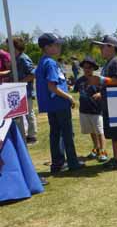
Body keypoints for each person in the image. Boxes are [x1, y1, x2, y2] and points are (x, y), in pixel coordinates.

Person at [35, 33, 84, 173]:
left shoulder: (43, 61)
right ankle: (72, 163)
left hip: (52, 105)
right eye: (56, 45)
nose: (59, 47)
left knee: (55, 133)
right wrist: (69, 97)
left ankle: (57, 163)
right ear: (47, 47)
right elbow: (52, 86)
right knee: (67, 134)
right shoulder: (50, 62)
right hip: (59, 103)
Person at [91, 35, 117, 170]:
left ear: (111, 47)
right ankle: (116, 158)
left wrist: (101, 81)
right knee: (115, 133)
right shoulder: (109, 62)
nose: (100, 49)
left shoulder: (116, 61)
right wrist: (101, 92)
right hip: (112, 103)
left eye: (102, 46)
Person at [73, 56, 108, 162]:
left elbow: (106, 91)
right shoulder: (80, 80)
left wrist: (100, 93)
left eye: (89, 67)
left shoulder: (98, 79)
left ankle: (103, 151)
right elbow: (75, 90)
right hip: (84, 110)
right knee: (91, 131)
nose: (87, 69)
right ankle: (96, 148)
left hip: (96, 110)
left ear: (93, 69)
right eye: (85, 67)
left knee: (100, 131)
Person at [11, 37, 37, 143]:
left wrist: (20, 82)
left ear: (16, 46)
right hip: (19, 92)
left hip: (26, 91)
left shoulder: (23, 58)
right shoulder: (16, 59)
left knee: (29, 114)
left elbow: (33, 73)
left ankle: (32, 135)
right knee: (20, 115)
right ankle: (23, 134)